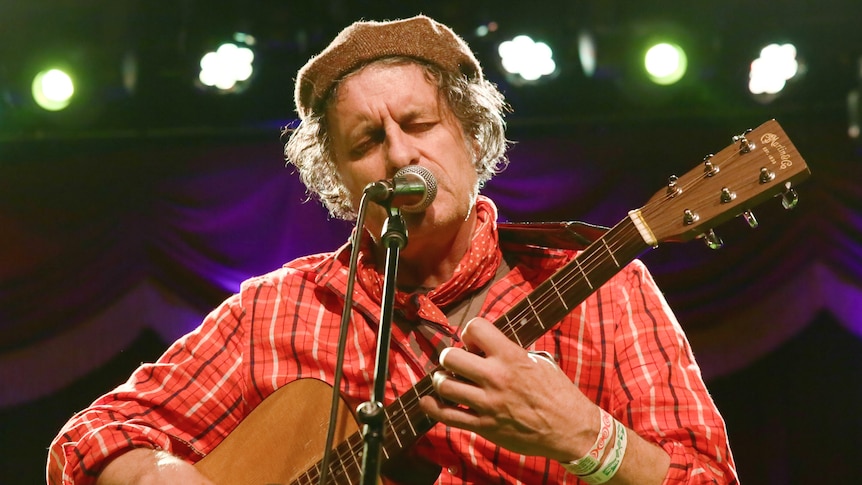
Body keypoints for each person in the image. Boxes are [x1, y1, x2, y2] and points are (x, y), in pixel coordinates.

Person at [47, 15, 738, 485]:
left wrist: (586, 434)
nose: (400, 154)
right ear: (340, 180)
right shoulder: (280, 310)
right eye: (365, 143)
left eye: (418, 124)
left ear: (471, 137)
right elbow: (92, 436)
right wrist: (158, 474)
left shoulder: (605, 289)